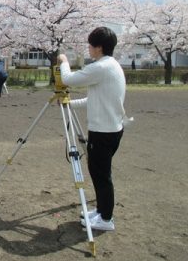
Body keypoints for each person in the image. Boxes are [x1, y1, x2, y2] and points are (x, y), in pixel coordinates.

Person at [57, 26, 130, 232]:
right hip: (111, 128)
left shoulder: (101, 67)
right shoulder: (110, 65)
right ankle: (101, 211)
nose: (88, 48)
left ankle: (106, 219)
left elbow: (68, 79)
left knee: (101, 175)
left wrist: (63, 62)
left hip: (103, 132)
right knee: (99, 173)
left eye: (90, 45)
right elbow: (96, 99)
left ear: (98, 47)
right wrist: (70, 104)